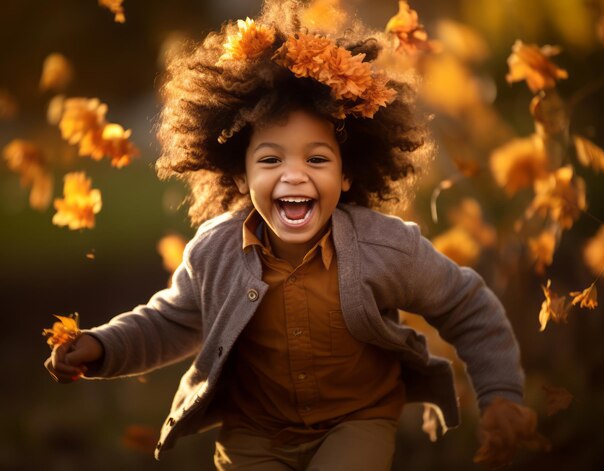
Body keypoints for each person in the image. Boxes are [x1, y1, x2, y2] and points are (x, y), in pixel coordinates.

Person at [45, 1, 536, 469]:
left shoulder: (384, 248)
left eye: (317, 159)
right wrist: (102, 347)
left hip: (357, 421)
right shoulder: (215, 252)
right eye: (271, 160)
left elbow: (465, 305)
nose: (295, 176)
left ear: (348, 174)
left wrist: (501, 396)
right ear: (240, 176)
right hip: (252, 433)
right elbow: (170, 323)